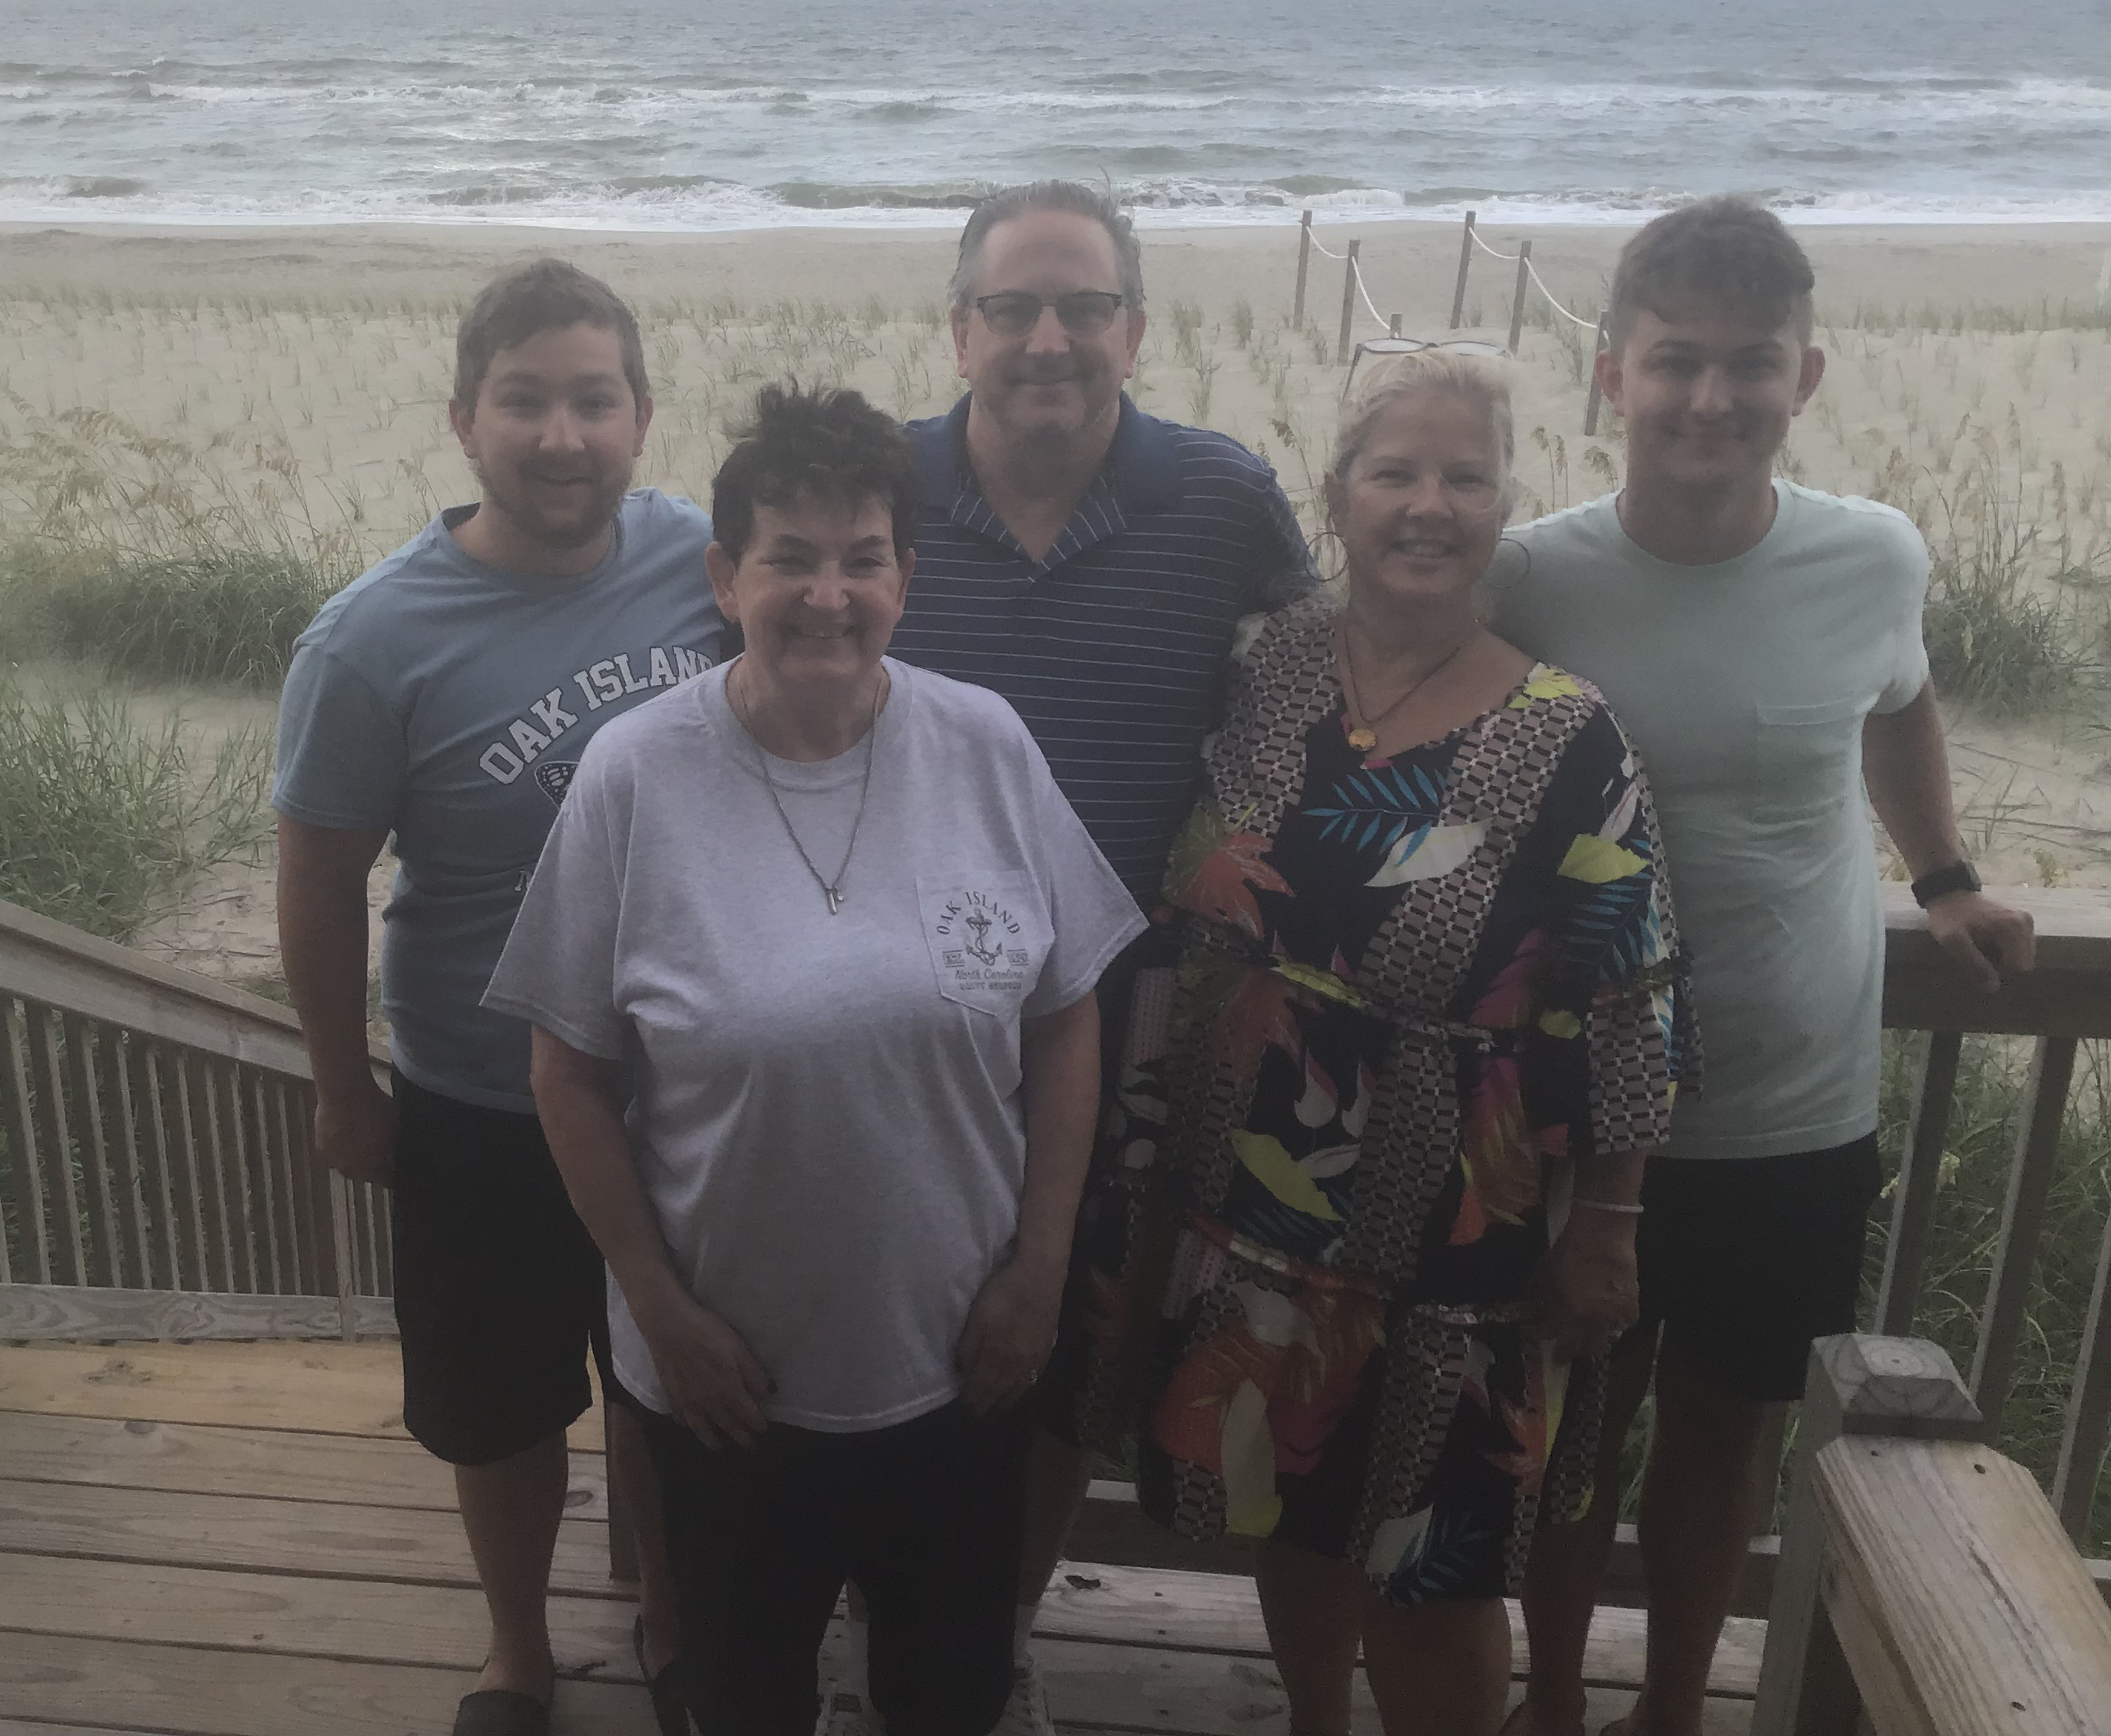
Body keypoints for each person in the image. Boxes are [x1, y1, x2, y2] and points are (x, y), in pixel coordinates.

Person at [484, 384, 1146, 1736]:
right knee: (744, 1699)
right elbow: (569, 1073)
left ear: (906, 579)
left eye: (864, 558)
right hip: (731, 1386)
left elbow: (1068, 1013)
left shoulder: (985, 744)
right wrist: (659, 1311)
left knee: (949, 1697)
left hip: (961, 1363)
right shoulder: (635, 774)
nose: (828, 595)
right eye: (791, 557)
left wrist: (1040, 1270)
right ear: (726, 578)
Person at [1493, 198, 2037, 1736]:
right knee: (1562, 1434)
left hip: (1795, 1099)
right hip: (1577, 1103)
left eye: (1750, 363)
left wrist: (1944, 876)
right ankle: (1550, 1702)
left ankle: (1672, 1709)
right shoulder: (1528, 578)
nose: (1710, 397)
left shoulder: (1873, 555)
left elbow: (1899, 702)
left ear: (1806, 377)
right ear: (1613, 373)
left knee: (1721, 1439)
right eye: (1676, 360)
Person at [1104, 347, 1692, 1736]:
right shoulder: (1265, 669)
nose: (1429, 505)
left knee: (1435, 1570)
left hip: (1458, 1229)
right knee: (1288, 1503)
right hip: (1253, 1183)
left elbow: (1633, 994)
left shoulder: (1568, 732)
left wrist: (1611, 1220)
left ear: (1504, 509)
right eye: (1397, 473)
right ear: (1338, 495)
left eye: (1465, 478)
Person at [869, 178, 1313, 1731]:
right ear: (960, 331)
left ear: (1135, 328)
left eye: (1083, 308)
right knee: (882, 1325)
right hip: (889, 1011)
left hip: (1125, 1019)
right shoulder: (882, 488)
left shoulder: (1223, 497)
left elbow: (1325, 695)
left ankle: (993, 1642)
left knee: (1060, 1346)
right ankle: (879, 1637)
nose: (1048, 340)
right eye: (1013, 308)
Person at [273, 258, 723, 1736]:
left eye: (594, 400)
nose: (561, 436)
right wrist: (343, 1086)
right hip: (478, 1094)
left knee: (665, 1385)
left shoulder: (703, 562)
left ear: (641, 416)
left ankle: (672, 1620)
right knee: (499, 1405)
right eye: (524, 401)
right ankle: (516, 1650)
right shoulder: (369, 641)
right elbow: (319, 879)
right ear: (465, 419)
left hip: (679, 1092)